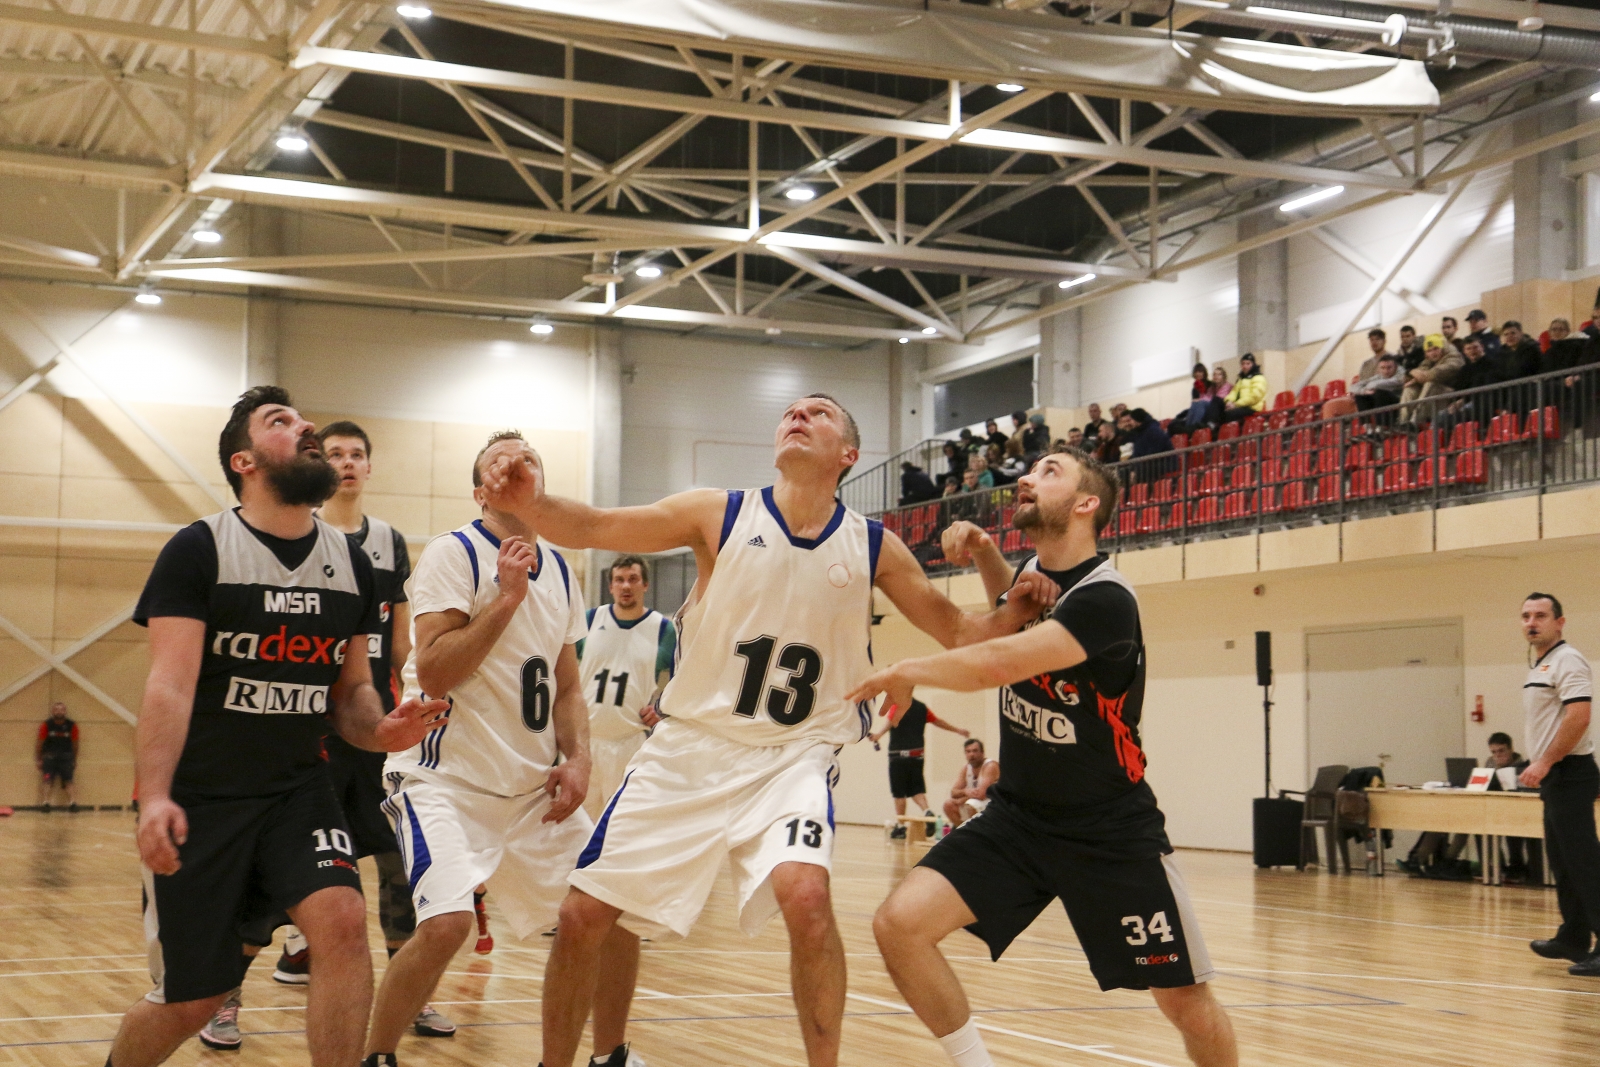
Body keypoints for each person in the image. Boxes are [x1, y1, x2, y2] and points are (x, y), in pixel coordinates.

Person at [477, 393, 1061, 1067]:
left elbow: (961, 632)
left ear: (849, 454)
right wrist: (534, 502)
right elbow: (596, 524)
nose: (797, 415)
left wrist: (1021, 598)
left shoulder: (873, 545)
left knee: (807, 898)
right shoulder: (717, 512)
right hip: (690, 748)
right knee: (582, 916)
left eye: (818, 411)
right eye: (789, 410)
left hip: (793, 756)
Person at [855, 446, 1238, 1067]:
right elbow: (1009, 620)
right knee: (899, 925)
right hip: (1019, 821)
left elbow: (1003, 661)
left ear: (1087, 504)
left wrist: (907, 669)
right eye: (1029, 469)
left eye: (1049, 472)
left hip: (1109, 829)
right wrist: (982, 550)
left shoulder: (1107, 599)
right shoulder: (1034, 574)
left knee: (1185, 1000)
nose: (1027, 477)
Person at [116, 386, 447, 1067]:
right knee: (194, 1000)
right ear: (244, 460)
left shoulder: (352, 562)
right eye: (282, 421)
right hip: (205, 798)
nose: (306, 428)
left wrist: (381, 729)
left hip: (299, 789)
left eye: (304, 419)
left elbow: (351, 688)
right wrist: (153, 794)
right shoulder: (199, 549)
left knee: (342, 920)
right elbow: (169, 685)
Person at [363, 430, 642, 1067]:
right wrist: (507, 599)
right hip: (445, 782)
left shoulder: (565, 571)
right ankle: (375, 1056)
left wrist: (578, 758)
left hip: (529, 790)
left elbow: (568, 682)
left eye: (529, 458)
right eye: (500, 459)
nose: (515, 464)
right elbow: (432, 670)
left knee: (612, 910)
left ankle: (602, 1058)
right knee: (447, 926)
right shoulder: (451, 553)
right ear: (479, 490)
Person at [197, 420, 455, 1051]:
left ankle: (409, 996)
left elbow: (397, 643)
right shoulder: (284, 535)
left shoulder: (388, 542)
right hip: (309, 731)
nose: (345, 463)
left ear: (369, 467)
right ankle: (226, 998)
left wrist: (413, 696)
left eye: (356, 454)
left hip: (372, 722)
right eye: (334, 453)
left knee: (401, 864)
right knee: (281, 881)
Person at [1519, 593, 1600, 977]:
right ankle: (1573, 936)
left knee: (1584, 862)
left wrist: (1546, 760)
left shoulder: (1568, 659)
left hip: (1571, 773)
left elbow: (1579, 717)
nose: (1531, 622)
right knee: (1564, 862)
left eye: (1540, 615)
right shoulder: (1541, 663)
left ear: (1560, 622)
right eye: (1525, 616)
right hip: (1556, 776)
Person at [579, 555, 676, 821]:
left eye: (633, 579)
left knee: (621, 823)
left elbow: (687, 677)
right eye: (619, 580)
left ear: (645, 584)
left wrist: (663, 708)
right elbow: (560, 671)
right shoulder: (589, 620)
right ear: (610, 586)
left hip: (630, 741)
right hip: (584, 741)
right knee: (574, 824)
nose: (625, 586)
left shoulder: (663, 629)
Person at [868, 698, 970, 839]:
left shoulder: (898, 705)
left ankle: (901, 827)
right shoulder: (922, 708)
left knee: (899, 794)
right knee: (916, 789)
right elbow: (937, 721)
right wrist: (957, 730)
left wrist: (878, 734)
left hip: (898, 755)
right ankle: (927, 810)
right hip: (917, 755)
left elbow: (891, 722)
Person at [942, 737, 998, 829]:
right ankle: (962, 831)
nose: (971, 754)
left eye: (975, 751)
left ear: (982, 752)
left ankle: (979, 833)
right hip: (974, 802)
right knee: (948, 805)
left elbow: (982, 795)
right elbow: (953, 792)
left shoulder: (990, 766)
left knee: (971, 804)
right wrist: (965, 791)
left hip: (992, 804)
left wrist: (962, 799)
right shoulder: (966, 768)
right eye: (968, 751)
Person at [36, 701, 79, 811]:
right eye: (56, 709)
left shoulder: (72, 725)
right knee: (47, 780)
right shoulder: (46, 725)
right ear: (53, 711)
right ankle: (45, 803)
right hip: (49, 757)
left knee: (69, 780)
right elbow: (40, 742)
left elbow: (75, 743)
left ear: (65, 711)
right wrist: (39, 758)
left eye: (61, 709)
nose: (59, 711)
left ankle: (73, 803)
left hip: (66, 757)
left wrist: (74, 759)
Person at [1220, 353, 1267, 425]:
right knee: (1217, 404)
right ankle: (1211, 426)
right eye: (1243, 364)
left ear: (1253, 364)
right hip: (1240, 406)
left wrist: (1236, 404)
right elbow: (1234, 392)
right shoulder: (1240, 379)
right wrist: (1228, 401)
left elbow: (1254, 396)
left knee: (1229, 414)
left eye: (1248, 364)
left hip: (1252, 408)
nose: (1245, 366)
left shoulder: (1259, 378)